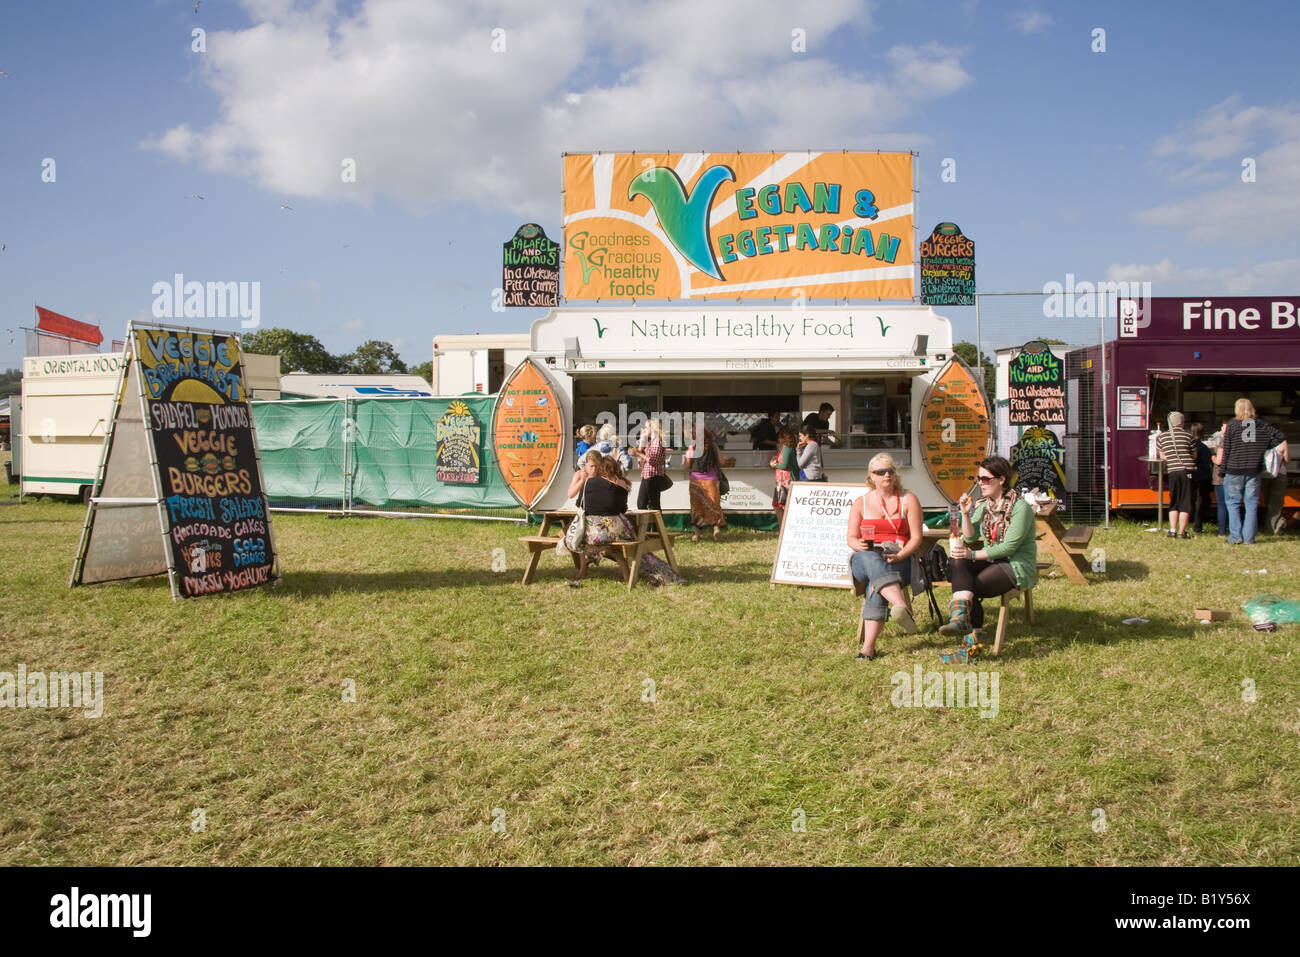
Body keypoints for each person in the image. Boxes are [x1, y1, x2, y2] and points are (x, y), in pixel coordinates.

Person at [940, 455, 1038, 661]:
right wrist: (965, 514)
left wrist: (973, 554)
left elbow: (1008, 547)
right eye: (978, 479)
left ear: (1001, 480)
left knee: (970, 584)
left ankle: (969, 644)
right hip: (991, 560)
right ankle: (961, 621)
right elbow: (970, 536)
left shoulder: (1020, 508)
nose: (980, 483)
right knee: (957, 561)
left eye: (985, 479)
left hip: (1014, 564)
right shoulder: (985, 505)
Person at [846, 453, 923, 659]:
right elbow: (851, 538)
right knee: (871, 559)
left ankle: (868, 649)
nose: (887, 475)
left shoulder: (908, 499)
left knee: (876, 583)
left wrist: (901, 555)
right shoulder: (860, 503)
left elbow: (916, 538)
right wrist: (859, 544)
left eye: (890, 471)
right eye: (881, 472)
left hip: (899, 557)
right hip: (866, 557)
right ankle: (902, 608)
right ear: (871, 476)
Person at [1216, 398, 1288, 545]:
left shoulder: (1232, 425)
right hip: (1253, 470)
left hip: (1234, 469)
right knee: (1251, 505)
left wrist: (1222, 471)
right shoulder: (1262, 424)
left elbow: (1227, 450)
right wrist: (1265, 446)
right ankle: (1249, 538)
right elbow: (1280, 437)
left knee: (1233, 504)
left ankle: (1236, 536)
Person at [564, 453, 635, 586]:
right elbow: (623, 509)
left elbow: (580, 504)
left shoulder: (588, 482)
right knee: (616, 547)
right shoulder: (622, 484)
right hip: (616, 533)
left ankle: (584, 568)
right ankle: (625, 573)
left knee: (577, 535)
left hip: (593, 534)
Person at [683, 425, 731, 541]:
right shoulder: (713, 445)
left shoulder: (692, 447)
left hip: (696, 480)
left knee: (696, 506)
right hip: (711, 480)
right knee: (714, 504)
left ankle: (697, 534)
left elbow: (687, 466)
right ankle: (716, 529)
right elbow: (722, 461)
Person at [1156, 411, 1197, 538]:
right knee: (1186, 501)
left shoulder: (1162, 437)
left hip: (1172, 471)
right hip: (1187, 470)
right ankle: (1182, 532)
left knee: (1174, 500)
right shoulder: (1188, 436)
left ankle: (1172, 530)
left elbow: (1163, 456)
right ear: (1182, 422)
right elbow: (1194, 455)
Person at [631, 417, 669, 512]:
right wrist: (642, 441)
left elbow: (653, 461)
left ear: (653, 429)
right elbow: (641, 455)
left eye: (646, 427)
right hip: (647, 475)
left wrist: (639, 454)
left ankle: (656, 526)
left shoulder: (657, 442)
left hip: (653, 476)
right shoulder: (650, 442)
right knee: (641, 503)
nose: (644, 430)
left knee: (654, 504)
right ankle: (647, 526)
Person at [770, 427, 798, 526]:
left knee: (781, 505)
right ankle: (784, 527)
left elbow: (784, 465)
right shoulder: (788, 447)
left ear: (783, 438)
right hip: (783, 481)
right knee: (781, 504)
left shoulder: (786, 448)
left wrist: (774, 465)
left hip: (784, 481)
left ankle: (784, 527)